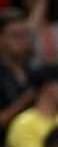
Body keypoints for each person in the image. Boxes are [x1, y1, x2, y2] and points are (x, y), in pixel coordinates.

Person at [0, 7, 35, 135]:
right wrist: (24, 101)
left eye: (25, 35)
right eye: (16, 36)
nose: (23, 41)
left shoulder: (34, 71)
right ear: (1, 39)